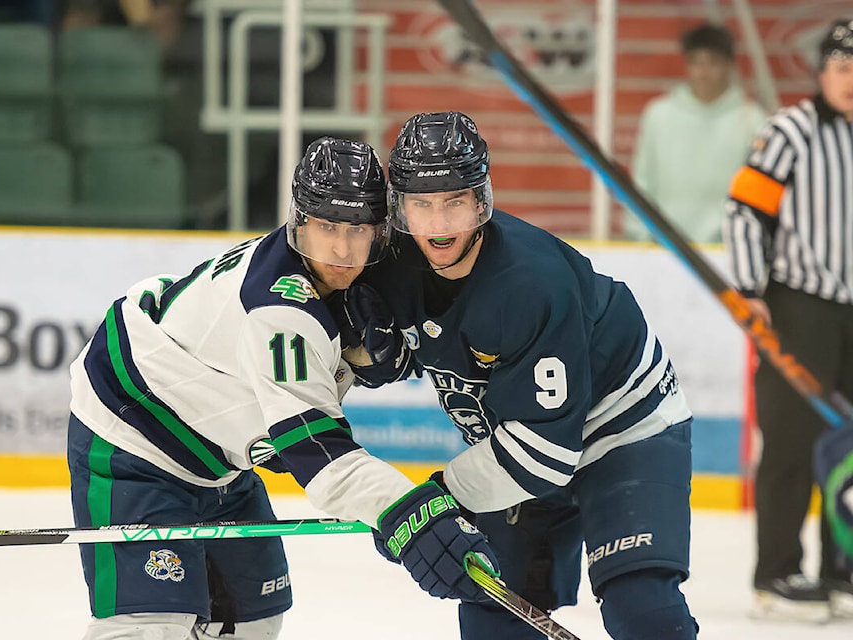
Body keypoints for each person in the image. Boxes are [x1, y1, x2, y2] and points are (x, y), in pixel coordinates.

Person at [66, 136, 499, 640]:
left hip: (220, 460)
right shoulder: (281, 310)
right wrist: (411, 515)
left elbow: (295, 418)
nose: (342, 248)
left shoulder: (346, 280)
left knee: (252, 619)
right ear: (300, 221)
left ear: (380, 231)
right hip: (132, 442)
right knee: (149, 626)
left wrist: (359, 364)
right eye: (327, 226)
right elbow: (319, 458)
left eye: (358, 229)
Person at [335, 111, 699, 639]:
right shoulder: (391, 264)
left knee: (641, 608)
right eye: (422, 205)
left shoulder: (531, 283)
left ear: (481, 200)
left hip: (624, 427)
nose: (438, 225)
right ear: (399, 208)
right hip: (514, 441)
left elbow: (544, 454)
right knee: (492, 614)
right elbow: (378, 348)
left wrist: (437, 499)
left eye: (455, 201)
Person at [724, 17, 853, 622]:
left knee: (851, 447)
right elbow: (746, 212)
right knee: (793, 442)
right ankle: (777, 571)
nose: (851, 79)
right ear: (821, 72)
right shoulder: (791, 132)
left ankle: (842, 566)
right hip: (801, 307)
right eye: (842, 67)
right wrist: (750, 289)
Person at [627, 22, 766, 243]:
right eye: (696, 62)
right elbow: (642, 181)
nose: (703, 72)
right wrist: (640, 235)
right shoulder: (659, 114)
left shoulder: (753, 119)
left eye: (713, 62)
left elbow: (758, 193)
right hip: (663, 247)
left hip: (727, 249)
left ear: (729, 65)